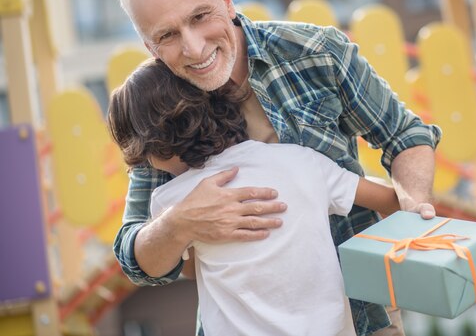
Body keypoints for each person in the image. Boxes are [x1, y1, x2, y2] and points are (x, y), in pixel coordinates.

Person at [114, 0, 442, 336]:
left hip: (358, 315)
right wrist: (180, 225)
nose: (194, 47)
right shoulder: (160, 105)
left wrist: (415, 210)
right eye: (167, 35)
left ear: (226, 2)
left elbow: (403, 134)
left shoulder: (315, 52)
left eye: (200, 16)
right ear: (149, 47)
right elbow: (136, 257)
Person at [108, 59, 403, 336]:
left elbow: (190, 270)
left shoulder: (171, 200)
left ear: (155, 149)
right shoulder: (303, 161)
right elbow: (389, 200)